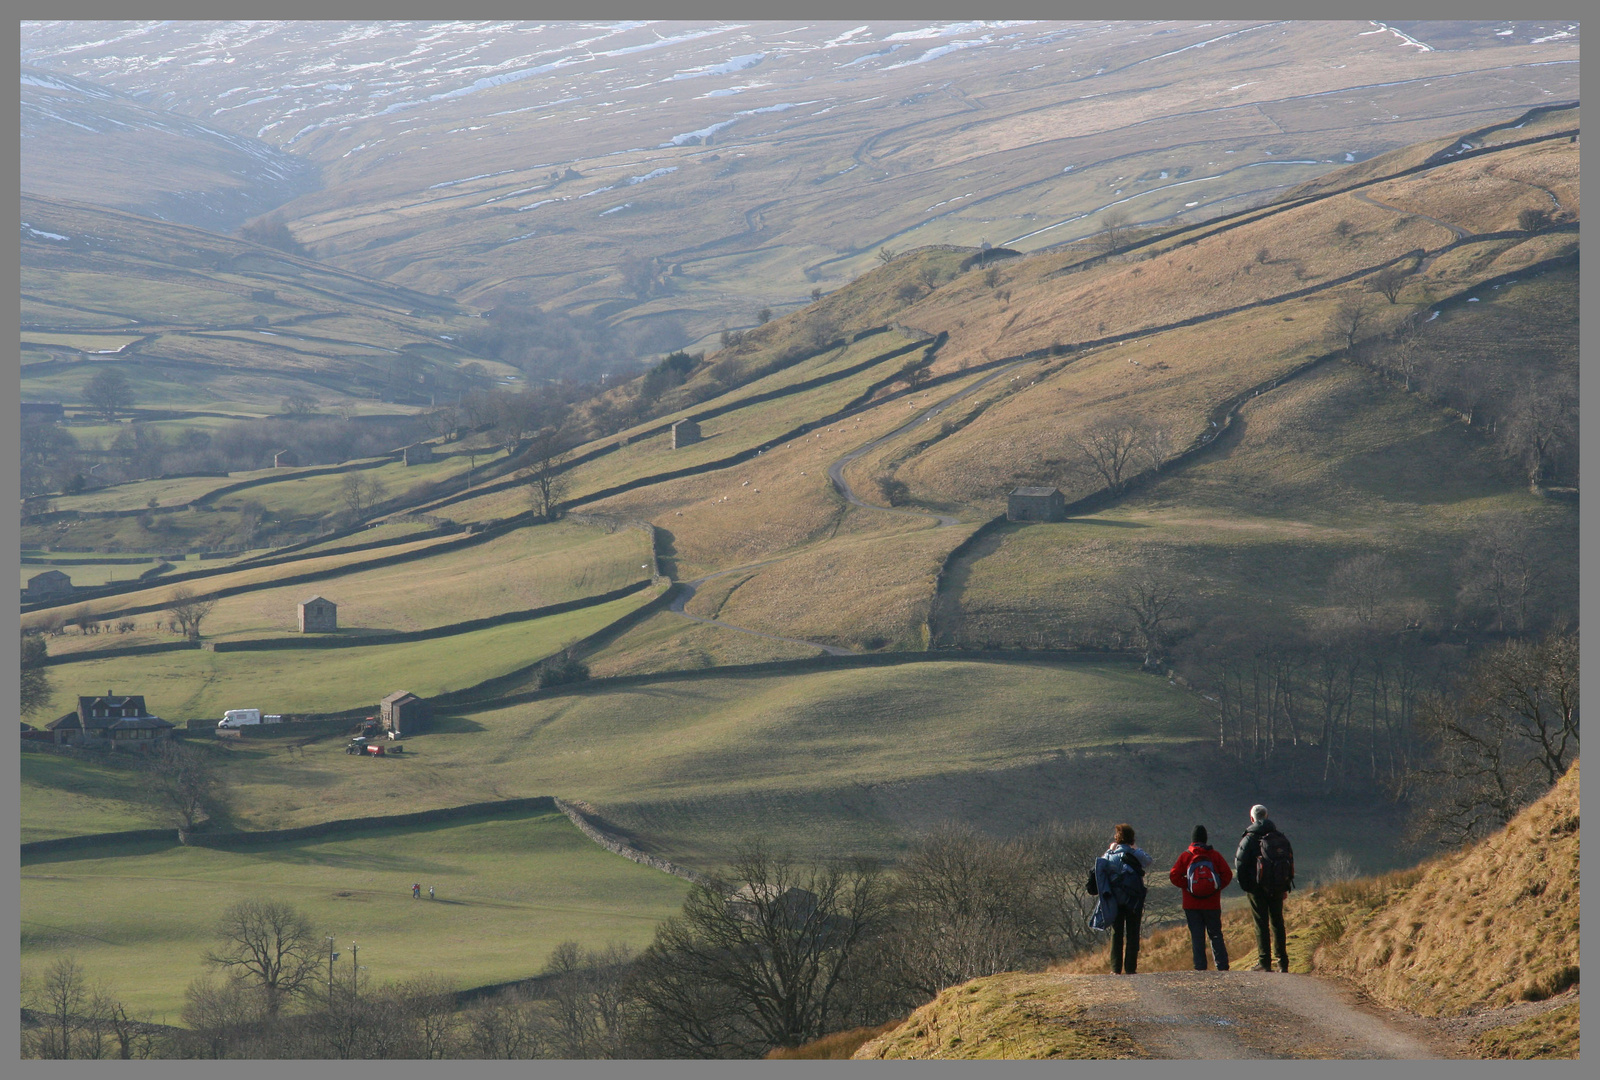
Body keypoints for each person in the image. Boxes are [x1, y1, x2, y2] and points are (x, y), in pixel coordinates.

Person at [1086, 823, 1152, 974]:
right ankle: (1130, 968)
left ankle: (1116, 968)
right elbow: (1148, 861)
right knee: (1133, 933)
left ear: (1117, 838)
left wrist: (1110, 848)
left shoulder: (1110, 855)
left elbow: (1099, 867)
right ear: (1131, 838)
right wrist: (1136, 848)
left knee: (1117, 934)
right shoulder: (1135, 853)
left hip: (1115, 900)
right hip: (1133, 900)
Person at [1235, 804, 1294, 972]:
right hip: (1277, 887)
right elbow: (1289, 862)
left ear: (1252, 818)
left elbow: (1239, 863)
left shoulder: (1249, 838)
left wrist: (1246, 886)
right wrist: (1285, 886)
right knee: (1278, 922)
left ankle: (1264, 962)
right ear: (1267, 817)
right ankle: (1283, 962)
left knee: (1261, 923)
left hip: (1257, 888)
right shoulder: (1280, 837)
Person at [1169, 825, 1232, 971]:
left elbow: (1173, 875)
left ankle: (1200, 967)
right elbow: (1227, 875)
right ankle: (1222, 966)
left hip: (1191, 904)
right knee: (1215, 934)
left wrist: (1188, 885)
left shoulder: (1186, 855)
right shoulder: (1215, 855)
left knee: (1197, 936)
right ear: (1205, 839)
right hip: (1212, 903)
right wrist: (1215, 887)